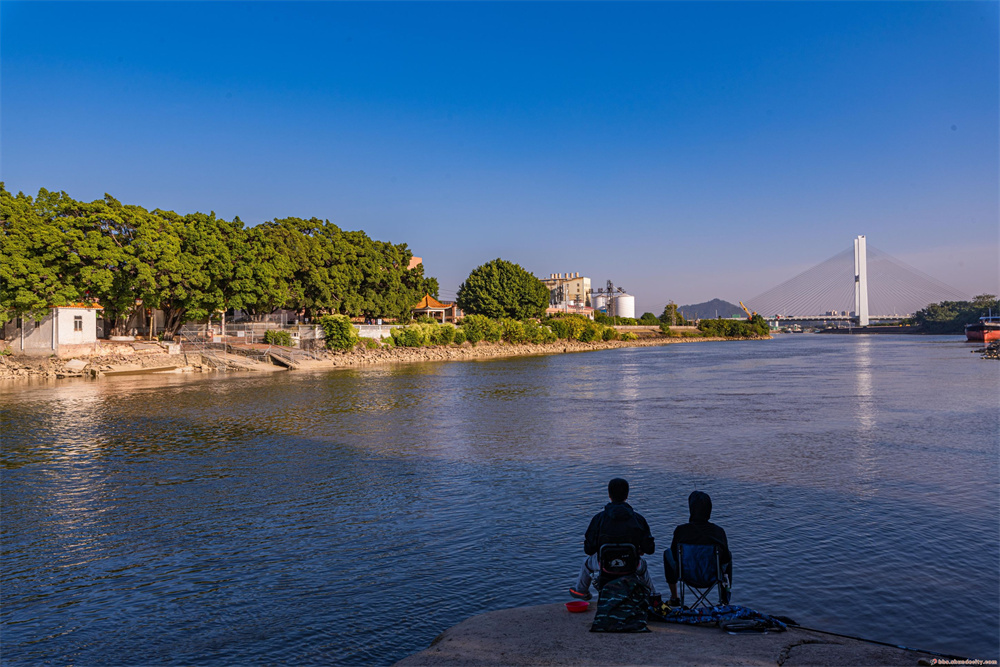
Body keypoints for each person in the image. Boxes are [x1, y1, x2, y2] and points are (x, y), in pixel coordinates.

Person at [570, 478, 659, 601]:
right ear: (627, 495)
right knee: (643, 567)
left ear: (609, 495)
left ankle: (581, 592)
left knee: (587, 563)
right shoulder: (638, 519)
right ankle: (652, 596)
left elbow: (588, 550)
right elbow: (650, 549)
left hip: (605, 565)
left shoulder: (598, 519)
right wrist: (640, 549)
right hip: (631, 565)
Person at [663, 490, 732, 606]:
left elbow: (674, 556)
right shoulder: (718, 532)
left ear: (691, 510)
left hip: (687, 575)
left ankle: (675, 597)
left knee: (667, 553)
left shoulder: (681, 531)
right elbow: (725, 559)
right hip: (712, 576)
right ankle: (724, 600)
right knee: (728, 557)